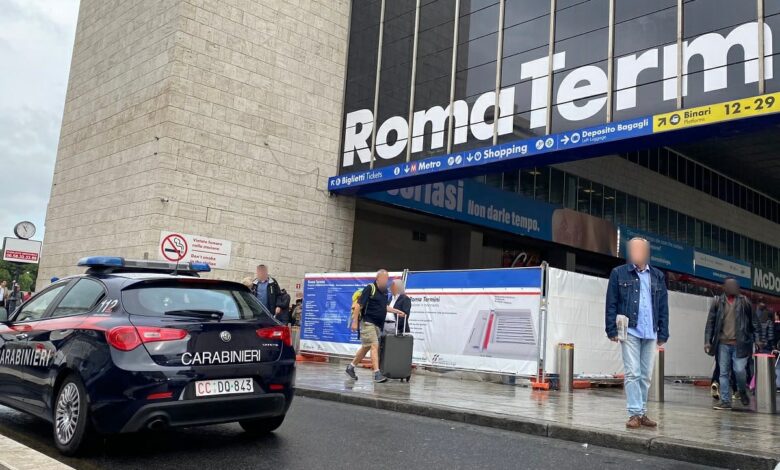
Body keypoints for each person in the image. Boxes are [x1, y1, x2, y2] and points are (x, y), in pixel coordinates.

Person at [605, 237, 669, 429]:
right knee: (633, 372)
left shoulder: (657, 276)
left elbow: (663, 306)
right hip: (630, 329)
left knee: (646, 375)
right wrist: (611, 329)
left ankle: (641, 412)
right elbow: (611, 302)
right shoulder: (619, 273)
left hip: (650, 331)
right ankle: (634, 413)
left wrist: (663, 332)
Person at [704, 278, 763, 410]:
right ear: (724, 287)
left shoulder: (745, 302)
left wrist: (758, 339)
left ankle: (742, 391)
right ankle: (725, 401)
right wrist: (707, 341)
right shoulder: (718, 302)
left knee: (739, 370)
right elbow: (710, 324)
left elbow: (755, 324)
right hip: (722, 344)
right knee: (723, 373)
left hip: (741, 345)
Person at [345, 270, 403, 383]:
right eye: (384, 279)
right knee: (374, 345)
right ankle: (377, 373)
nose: (386, 281)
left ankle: (350, 367)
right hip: (368, 322)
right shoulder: (370, 288)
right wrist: (355, 322)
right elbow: (358, 305)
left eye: (387, 279)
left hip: (377, 325)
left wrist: (397, 311)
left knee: (366, 347)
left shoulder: (385, 292)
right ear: (378, 278)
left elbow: (384, 307)